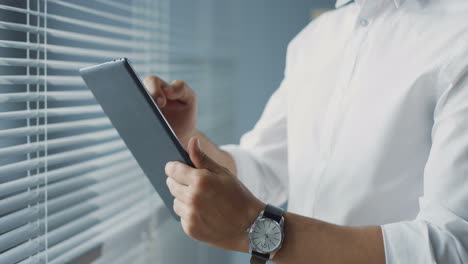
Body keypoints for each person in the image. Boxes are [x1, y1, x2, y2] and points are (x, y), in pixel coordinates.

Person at [144, 0, 468, 263]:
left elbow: (453, 248)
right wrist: (186, 138)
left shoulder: (460, 35)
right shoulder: (313, 39)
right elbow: (264, 169)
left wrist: (257, 230)